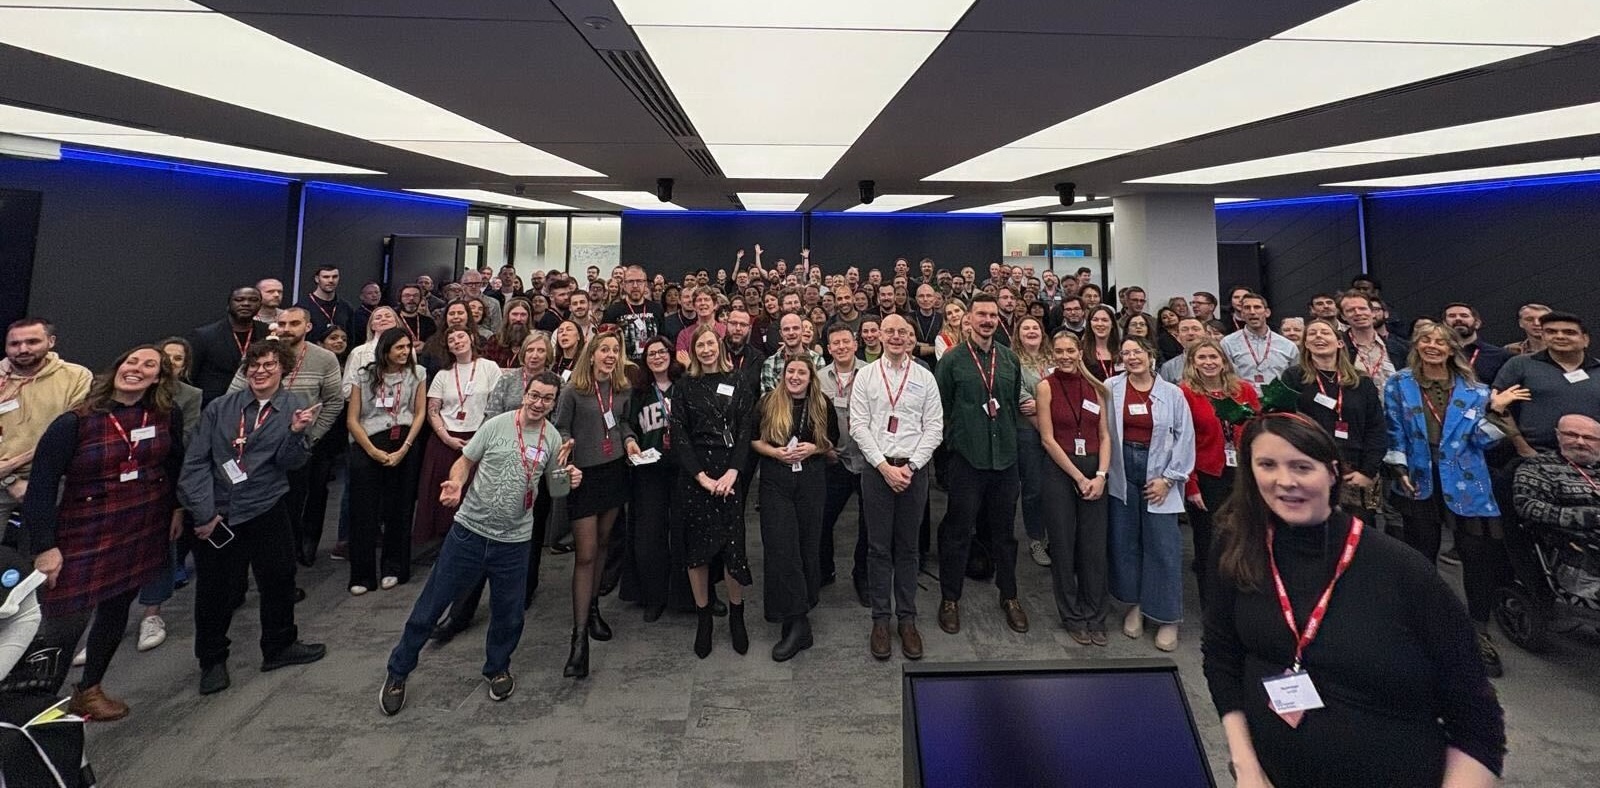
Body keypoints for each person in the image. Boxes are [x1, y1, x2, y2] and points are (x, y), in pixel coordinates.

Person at [1202, 414, 1505, 788]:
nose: (1284, 481)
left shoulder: (1402, 570)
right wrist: (1245, 766)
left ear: (1333, 473)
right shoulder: (1237, 549)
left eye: (1301, 466)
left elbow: (1477, 721)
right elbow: (1221, 656)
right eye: (1267, 465)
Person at [378, 372, 579, 716]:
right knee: (430, 608)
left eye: (547, 398)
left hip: (514, 542)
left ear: (554, 402)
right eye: (534, 395)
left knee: (509, 615)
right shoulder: (497, 425)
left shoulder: (552, 438)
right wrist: (456, 483)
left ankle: (497, 667)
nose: (539, 403)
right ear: (524, 393)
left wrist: (569, 476)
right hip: (469, 533)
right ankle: (398, 672)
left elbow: (555, 486)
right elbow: (465, 461)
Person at [24, 345, 184, 720]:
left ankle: (89, 689)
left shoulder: (165, 414)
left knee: (117, 610)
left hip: (140, 526)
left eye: (149, 366)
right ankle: (34, 703)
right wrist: (46, 547)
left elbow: (174, 463)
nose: (137, 369)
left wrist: (176, 507)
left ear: (159, 378)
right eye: (131, 361)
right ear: (116, 368)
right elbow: (42, 486)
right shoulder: (74, 423)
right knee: (62, 624)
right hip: (84, 531)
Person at [178, 341, 326, 696]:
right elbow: (196, 462)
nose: (261, 371)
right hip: (220, 512)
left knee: (279, 578)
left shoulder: (293, 406)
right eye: (255, 365)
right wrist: (205, 512)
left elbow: (291, 464)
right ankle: (212, 659)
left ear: (283, 369)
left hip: (266, 505)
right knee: (216, 590)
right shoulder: (220, 408)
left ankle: (278, 646)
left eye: (270, 365)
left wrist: (296, 434)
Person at [1385, 321, 1528, 677]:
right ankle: (1422, 627)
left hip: (1467, 482)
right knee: (1421, 557)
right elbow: (1394, 429)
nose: (1432, 346)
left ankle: (1478, 631)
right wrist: (1397, 468)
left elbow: (1483, 440)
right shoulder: (1399, 384)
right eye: (1425, 340)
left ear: (1452, 349)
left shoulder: (1476, 391)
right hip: (1418, 478)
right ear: (1416, 346)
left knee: (1477, 557)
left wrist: (1497, 412)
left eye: (1440, 342)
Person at [934, 293, 1030, 636]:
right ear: (968, 320)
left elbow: (1011, 400)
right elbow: (941, 409)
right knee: (959, 531)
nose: (988, 320)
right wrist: (950, 450)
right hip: (967, 459)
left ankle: (1010, 595)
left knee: (1005, 533)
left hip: (1005, 459)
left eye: (992, 315)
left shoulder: (1009, 360)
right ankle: (950, 598)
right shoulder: (952, 361)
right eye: (981, 315)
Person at [851, 315, 943, 660]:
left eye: (902, 332)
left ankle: (907, 620)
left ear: (910, 337)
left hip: (913, 470)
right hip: (877, 470)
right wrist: (884, 467)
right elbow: (858, 425)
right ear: (878, 336)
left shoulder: (924, 377)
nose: (894, 336)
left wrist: (912, 466)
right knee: (877, 548)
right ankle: (880, 619)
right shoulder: (866, 376)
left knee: (907, 549)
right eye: (888, 331)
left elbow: (934, 427)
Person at [228, 307, 345, 567]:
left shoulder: (324, 358)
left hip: (299, 445)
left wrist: (310, 437)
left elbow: (333, 402)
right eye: (282, 323)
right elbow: (232, 395)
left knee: (296, 505)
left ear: (308, 327)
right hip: (258, 446)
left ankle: (292, 557)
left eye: (294, 323)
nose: (286, 329)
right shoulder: (260, 354)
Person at [552, 329, 636, 679]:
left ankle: (595, 607)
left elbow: (625, 422)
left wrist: (629, 440)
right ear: (592, 353)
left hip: (614, 471)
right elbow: (560, 428)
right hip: (583, 477)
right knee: (585, 553)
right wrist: (567, 446)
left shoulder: (622, 388)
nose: (610, 355)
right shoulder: (573, 390)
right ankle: (579, 637)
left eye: (615, 350)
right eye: (604, 349)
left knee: (603, 543)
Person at [670, 326, 757, 658]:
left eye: (710, 343)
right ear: (692, 350)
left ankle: (737, 615)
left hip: (731, 473)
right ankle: (703, 617)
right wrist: (702, 477)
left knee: (733, 547)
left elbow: (745, 428)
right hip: (696, 477)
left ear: (718, 346)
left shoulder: (738, 382)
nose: (705, 349)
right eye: (699, 345)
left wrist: (733, 472)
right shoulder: (684, 386)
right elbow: (679, 435)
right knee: (698, 551)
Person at [1106, 337, 1195, 652]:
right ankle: (1134, 605)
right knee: (1125, 541)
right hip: (1122, 471)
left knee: (1163, 545)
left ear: (1151, 356)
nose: (1132, 357)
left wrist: (1169, 479)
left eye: (1138, 352)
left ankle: (1167, 616)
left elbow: (1186, 438)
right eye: (1126, 353)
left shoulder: (1172, 393)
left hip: (1159, 473)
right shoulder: (1111, 386)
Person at [751, 356, 833, 661]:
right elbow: (753, 441)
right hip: (776, 481)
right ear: (782, 375)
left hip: (811, 481)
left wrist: (814, 447)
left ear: (811, 377)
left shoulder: (821, 403)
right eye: (790, 372)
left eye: (802, 372)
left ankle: (797, 618)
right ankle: (798, 623)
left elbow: (830, 442)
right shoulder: (768, 403)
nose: (795, 376)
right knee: (781, 547)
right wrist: (774, 451)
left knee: (807, 547)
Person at [1034, 331, 1112, 645]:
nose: (1065, 356)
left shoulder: (1097, 388)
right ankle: (1072, 615)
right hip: (1059, 470)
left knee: (1094, 547)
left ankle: (1096, 614)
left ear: (1080, 351)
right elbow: (1047, 438)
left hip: (1095, 468)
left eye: (1070, 350)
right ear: (1052, 353)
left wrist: (1101, 475)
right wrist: (1077, 477)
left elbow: (1105, 435)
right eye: (1059, 351)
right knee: (1064, 545)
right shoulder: (1045, 387)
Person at [1276, 319, 1386, 524]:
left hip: (1353, 470)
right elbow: (1283, 423)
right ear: (1306, 345)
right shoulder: (1294, 377)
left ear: (1340, 343)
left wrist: (1367, 471)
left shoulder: (1361, 381)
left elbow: (1376, 428)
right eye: (1312, 334)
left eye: (1325, 333)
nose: (1318, 336)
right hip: (1309, 467)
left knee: (1355, 535)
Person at [344, 328, 427, 596]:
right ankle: (362, 574)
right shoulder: (364, 375)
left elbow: (419, 413)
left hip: (404, 441)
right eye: (399, 348)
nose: (405, 352)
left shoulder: (418, 374)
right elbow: (353, 419)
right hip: (369, 442)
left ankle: (394, 567)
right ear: (386, 350)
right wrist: (371, 450)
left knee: (400, 508)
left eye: (407, 347)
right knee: (363, 510)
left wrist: (405, 448)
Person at [1178, 339, 1261, 601]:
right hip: (1206, 476)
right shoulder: (1185, 393)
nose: (1208, 363)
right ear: (1192, 363)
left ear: (1224, 360)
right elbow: (1183, 441)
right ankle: (1212, 606)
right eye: (1201, 358)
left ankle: (1242, 600)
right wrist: (1191, 485)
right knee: (1208, 544)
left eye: (1213, 357)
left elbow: (1257, 431)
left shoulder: (1244, 390)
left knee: (1243, 538)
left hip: (1241, 475)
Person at [0, 318, 94, 537]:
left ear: (51, 341)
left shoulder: (77, 377)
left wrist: (16, 463)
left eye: (32, 341)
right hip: (1, 481)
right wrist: (9, 479)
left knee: (42, 555)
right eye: (14, 344)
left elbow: (68, 435)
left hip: (53, 480)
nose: (23, 349)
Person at [415, 328, 501, 547]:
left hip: (480, 437)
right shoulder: (443, 374)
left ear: (471, 339)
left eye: (461, 336)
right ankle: (443, 543)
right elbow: (433, 410)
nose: (457, 342)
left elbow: (495, 406)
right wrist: (446, 438)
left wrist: (480, 437)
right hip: (446, 440)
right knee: (445, 494)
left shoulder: (489, 368)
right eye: (451, 340)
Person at [1493, 310, 1600, 452]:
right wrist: (1522, 447)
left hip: (1593, 456)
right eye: (1551, 332)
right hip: (1536, 455)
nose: (1559, 336)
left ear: (1585, 339)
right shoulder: (1519, 364)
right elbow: (1498, 407)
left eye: (1569, 332)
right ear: (1543, 336)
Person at [628, 336, 680, 622]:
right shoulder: (640, 392)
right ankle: (654, 595)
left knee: (685, 531)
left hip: (683, 468)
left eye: (662, 352)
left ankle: (690, 593)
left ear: (671, 355)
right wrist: (630, 441)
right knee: (651, 535)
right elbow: (628, 424)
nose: (658, 357)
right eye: (651, 354)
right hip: (650, 468)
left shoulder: (685, 386)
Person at [817, 324, 867, 605]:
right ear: (828, 348)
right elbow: (814, 417)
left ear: (855, 344)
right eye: (835, 343)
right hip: (834, 460)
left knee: (868, 523)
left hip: (867, 460)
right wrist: (825, 448)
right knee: (823, 519)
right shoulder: (820, 378)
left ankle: (863, 576)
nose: (841, 347)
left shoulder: (872, 374)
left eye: (845, 342)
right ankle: (825, 570)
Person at [1514, 414, 1600, 532]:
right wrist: (1592, 517)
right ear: (1558, 435)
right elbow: (1526, 506)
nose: (1580, 442)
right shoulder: (1537, 466)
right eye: (1571, 435)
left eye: (1589, 438)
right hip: (1573, 539)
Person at [1013, 316, 1053, 568]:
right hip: (1028, 433)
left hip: (1058, 434)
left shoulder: (1053, 359)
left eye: (1035, 327)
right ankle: (1036, 538)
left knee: (1057, 488)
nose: (1031, 331)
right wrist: (1046, 430)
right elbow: (1022, 401)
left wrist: (1044, 409)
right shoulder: (1013, 361)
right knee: (1034, 488)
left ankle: (1058, 536)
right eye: (1025, 328)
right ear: (1018, 334)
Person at [188, 287, 272, 404]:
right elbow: (190, 375)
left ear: (260, 305)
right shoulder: (204, 335)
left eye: (253, 300)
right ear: (228, 305)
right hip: (213, 404)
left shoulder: (268, 333)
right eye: (239, 300)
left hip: (257, 401)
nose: (246, 304)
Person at [1222, 292, 1297, 394]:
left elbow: (1295, 379)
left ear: (1267, 312)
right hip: (1243, 403)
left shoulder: (1288, 346)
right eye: (1247, 308)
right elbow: (1225, 377)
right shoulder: (1228, 343)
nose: (1252, 312)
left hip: (1279, 404)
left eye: (1257, 307)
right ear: (1242, 314)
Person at [1337, 291, 1397, 395]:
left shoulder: (1397, 347)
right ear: (1343, 316)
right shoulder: (1338, 348)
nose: (1358, 313)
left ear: (1372, 312)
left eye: (1362, 308)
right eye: (1351, 310)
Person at [602, 265, 664, 361]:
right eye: (630, 281)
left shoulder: (656, 308)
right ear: (623, 285)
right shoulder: (613, 310)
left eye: (639, 281)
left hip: (651, 367)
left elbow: (662, 339)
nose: (635, 285)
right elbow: (604, 342)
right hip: (622, 367)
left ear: (645, 284)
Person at [1442, 302, 1512, 385]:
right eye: (1452, 316)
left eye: (1464, 316)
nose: (1458, 319)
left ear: (1477, 324)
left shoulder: (1500, 356)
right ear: (1443, 324)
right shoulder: (1435, 354)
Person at [760, 313, 824, 394]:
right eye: (786, 329)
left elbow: (818, 394)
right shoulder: (770, 363)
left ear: (802, 330)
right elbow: (768, 400)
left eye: (795, 328)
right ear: (781, 334)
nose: (791, 332)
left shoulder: (817, 360)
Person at [299, 265, 358, 342]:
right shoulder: (302, 307)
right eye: (326, 277)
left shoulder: (346, 307)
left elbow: (351, 338)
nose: (331, 280)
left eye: (335, 277)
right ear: (317, 279)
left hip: (341, 353)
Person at [484, 298, 533, 368]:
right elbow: (487, 368)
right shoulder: (494, 341)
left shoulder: (533, 342)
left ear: (528, 318)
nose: (518, 319)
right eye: (514, 314)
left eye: (523, 315)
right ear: (507, 316)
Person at [1158, 317, 1207, 383]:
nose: (1190, 333)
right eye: (1185, 330)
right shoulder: (1168, 367)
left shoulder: (1219, 360)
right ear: (1177, 336)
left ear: (1206, 334)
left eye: (1195, 329)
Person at [1083, 305, 1122, 381]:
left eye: (1104, 320)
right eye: (1095, 320)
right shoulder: (1081, 350)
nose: (1100, 324)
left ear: (1112, 324)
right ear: (1090, 324)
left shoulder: (1123, 349)